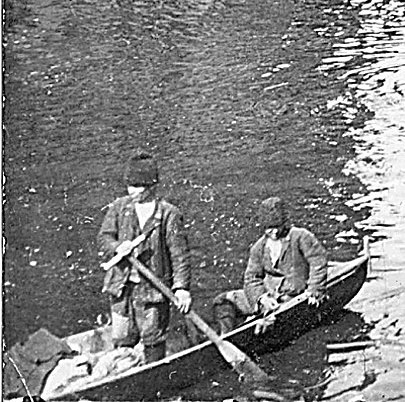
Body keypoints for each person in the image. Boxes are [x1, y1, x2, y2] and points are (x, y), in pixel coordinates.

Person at [97, 153, 192, 364]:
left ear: (152, 186)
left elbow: (179, 255)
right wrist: (117, 247)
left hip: (153, 291)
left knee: (152, 339)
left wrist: (181, 288)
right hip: (121, 287)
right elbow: (104, 238)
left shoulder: (168, 214)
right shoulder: (120, 208)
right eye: (130, 186)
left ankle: (154, 375)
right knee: (122, 336)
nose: (132, 191)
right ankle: (124, 372)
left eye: (138, 187)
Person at [212, 198, 328, 335]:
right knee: (222, 301)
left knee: (273, 318)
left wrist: (314, 290)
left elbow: (318, 261)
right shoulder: (259, 248)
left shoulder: (300, 237)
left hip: (292, 296)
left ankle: (258, 325)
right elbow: (251, 278)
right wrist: (262, 298)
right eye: (269, 228)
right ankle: (226, 335)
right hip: (268, 296)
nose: (274, 232)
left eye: (277, 226)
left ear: (284, 223)